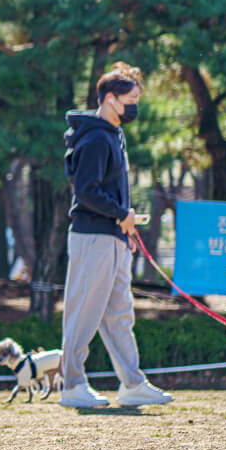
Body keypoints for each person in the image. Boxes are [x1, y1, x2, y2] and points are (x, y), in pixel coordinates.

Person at [58, 62, 173, 409]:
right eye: (131, 99)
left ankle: (132, 382)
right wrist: (121, 214)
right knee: (84, 311)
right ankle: (72, 384)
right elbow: (87, 192)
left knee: (119, 311)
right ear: (110, 99)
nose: (135, 106)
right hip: (93, 236)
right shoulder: (94, 138)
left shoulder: (112, 135)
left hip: (113, 237)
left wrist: (126, 224)